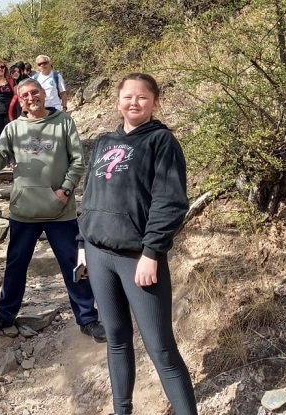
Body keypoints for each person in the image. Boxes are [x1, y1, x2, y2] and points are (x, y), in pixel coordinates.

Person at [77, 73, 197, 415]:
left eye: (142, 97)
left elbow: (170, 202)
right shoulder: (103, 142)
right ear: (117, 102)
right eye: (127, 96)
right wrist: (82, 243)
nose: (134, 102)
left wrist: (151, 252)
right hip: (98, 254)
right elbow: (90, 195)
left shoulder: (161, 142)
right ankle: (122, 410)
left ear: (154, 103)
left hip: (137, 258)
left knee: (161, 348)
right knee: (116, 338)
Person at [0, 78, 106, 342]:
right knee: (15, 266)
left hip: (60, 210)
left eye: (34, 92)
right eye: (24, 95)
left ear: (44, 93)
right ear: (19, 100)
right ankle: (5, 315)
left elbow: (78, 161)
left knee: (75, 265)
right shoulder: (13, 128)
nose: (30, 98)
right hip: (24, 211)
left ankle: (87, 318)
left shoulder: (64, 122)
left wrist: (65, 190)